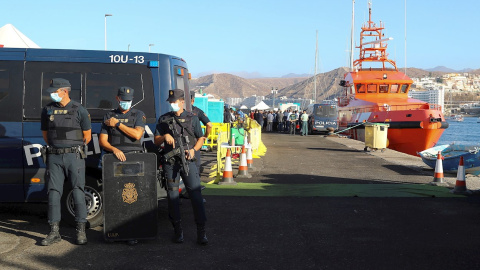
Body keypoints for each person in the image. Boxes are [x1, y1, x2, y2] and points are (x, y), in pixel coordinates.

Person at [40, 78, 92, 246]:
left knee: (78, 191)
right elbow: (46, 134)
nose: (53, 94)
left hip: (74, 156)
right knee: (53, 193)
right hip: (54, 156)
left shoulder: (79, 110)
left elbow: (87, 136)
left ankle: (81, 231)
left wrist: (71, 148)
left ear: (65, 91)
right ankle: (54, 231)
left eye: (56, 91)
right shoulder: (47, 110)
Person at [154, 89, 208, 245]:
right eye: (170, 102)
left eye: (175, 101)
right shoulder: (164, 119)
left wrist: (193, 150)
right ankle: (177, 230)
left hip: (188, 161)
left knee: (196, 195)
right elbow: (156, 141)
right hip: (171, 163)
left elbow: (200, 138)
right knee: (172, 196)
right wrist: (164, 136)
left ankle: (201, 231)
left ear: (182, 101)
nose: (172, 104)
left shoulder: (193, 119)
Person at [99, 86, 146, 161]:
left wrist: (118, 124)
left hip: (134, 156)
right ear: (117, 98)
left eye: (129, 100)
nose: (126, 102)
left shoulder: (138, 114)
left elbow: (137, 135)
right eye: (124, 99)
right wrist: (114, 150)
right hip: (115, 156)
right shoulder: (109, 116)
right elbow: (102, 141)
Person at [190, 91, 212, 178]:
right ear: (193, 100)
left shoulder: (176, 112)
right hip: (195, 143)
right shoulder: (197, 111)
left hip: (178, 144)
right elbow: (209, 125)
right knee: (195, 166)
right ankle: (195, 186)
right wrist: (205, 136)